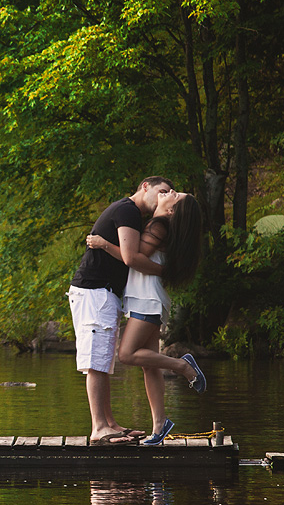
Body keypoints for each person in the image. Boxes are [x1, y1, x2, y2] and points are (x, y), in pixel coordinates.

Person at [85, 191, 207, 446]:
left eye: (175, 195)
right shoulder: (162, 226)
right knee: (149, 366)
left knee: (127, 354)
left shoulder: (158, 225)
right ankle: (160, 425)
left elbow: (132, 257)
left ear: (172, 210)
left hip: (146, 300)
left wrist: (103, 244)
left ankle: (183, 366)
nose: (169, 192)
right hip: (151, 299)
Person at [67, 176, 173, 445]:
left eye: (168, 195)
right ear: (145, 186)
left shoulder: (136, 216)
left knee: (103, 360)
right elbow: (131, 257)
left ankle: (110, 423)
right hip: (94, 290)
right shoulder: (127, 210)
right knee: (96, 362)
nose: (163, 197)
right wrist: (169, 273)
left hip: (104, 293)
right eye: (161, 191)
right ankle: (99, 428)